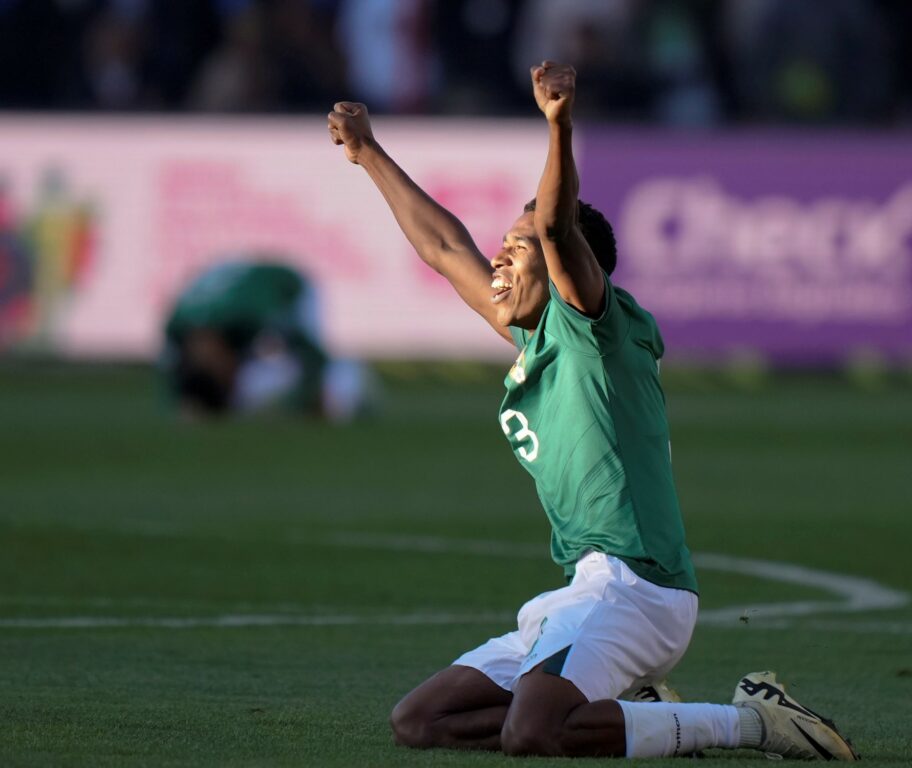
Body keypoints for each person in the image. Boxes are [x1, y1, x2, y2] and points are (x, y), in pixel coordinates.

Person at [327, 62, 859, 760]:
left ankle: (752, 722)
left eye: (518, 249)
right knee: (418, 723)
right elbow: (442, 245)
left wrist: (559, 125)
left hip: (639, 591)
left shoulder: (597, 327)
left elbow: (554, 224)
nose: (499, 261)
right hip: (582, 593)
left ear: (565, 267)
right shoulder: (538, 335)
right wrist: (369, 154)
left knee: (532, 732)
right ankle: (633, 711)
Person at [161, 258, 372, 421]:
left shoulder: (253, 313)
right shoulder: (176, 328)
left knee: (308, 381)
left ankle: (352, 382)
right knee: (250, 388)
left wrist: (305, 402)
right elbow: (175, 382)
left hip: (290, 286)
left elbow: (310, 352)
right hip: (236, 283)